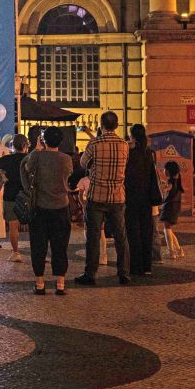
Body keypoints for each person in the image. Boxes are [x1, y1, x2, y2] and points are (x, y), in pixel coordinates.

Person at [75, 111, 131, 286]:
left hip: (97, 195)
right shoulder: (124, 144)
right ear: (116, 125)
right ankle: (124, 273)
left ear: (101, 125)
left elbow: (83, 163)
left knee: (93, 236)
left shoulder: (94, 143)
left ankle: (90, 273)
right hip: (117, 196)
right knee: (121, 236)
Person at [20, 127, 73, 295]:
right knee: (60, 246)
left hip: (40, 209)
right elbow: (69, 174)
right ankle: (60, 284)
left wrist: (36, 149)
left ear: (44, 140)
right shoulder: (66, 159)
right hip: (61, 208)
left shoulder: (38, 156)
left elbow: (27, 167)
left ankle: (40, 283)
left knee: (38, 246)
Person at [0, 134, 30, 262]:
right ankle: (39, 253)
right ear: (25, 146)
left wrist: (1, 174)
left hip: (11, 196)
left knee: (13, 226)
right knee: (34, 226)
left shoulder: (7, 159)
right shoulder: (30, 158)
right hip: (28, 196)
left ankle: (16, 253)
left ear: (13, 146)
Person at [125, 124, 158, 276]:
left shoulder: (129, 154)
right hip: (146, 198)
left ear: (132, 136)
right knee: (146, 231)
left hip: (131, 197)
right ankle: (147, 266)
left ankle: (135, 265)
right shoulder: (148, 153)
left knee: (133, 231)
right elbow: (151, 175)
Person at [160, 161, 185, 259]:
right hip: (175, 206)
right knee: (169, 229)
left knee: (166, 229)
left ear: (169, 171)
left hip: (169, 206)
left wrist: (162, 187)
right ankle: (179, 250)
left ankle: (171, 252)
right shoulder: (177, 180)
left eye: (165, 169)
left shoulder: (171, 181)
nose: (163, 170)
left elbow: (165, 190)